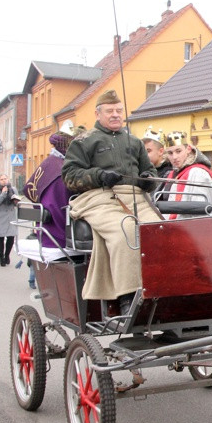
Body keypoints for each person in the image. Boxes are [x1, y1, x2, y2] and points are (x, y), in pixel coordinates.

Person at [61, 89, 160, 316]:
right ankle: (128, 295)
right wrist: (99, 176)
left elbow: (150, 171)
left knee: (159, 231)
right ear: (98, 114)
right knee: (125, 230)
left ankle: (160, 290)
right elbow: (69, 177)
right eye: (109, 111)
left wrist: (147, 181)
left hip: (135, 196)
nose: (115, 115)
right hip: (97, 198)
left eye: (118, 110)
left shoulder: (134, 141)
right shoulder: (83, 142)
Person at [23, 120, 77, 248]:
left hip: (44, 230)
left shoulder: (48, 162)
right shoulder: (64, 169)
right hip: (58, 234)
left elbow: (28, 189)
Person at [162, 131, 212, 220]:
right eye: (170, 153)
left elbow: (200, 212)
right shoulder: (173, 174)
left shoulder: (198, 173)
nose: (174, 157)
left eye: (178, 151)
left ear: (188, 149)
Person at [0, 174, 18, 266]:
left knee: (11, 237)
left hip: (11, 216)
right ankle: (1, 257)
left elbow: (16, 202)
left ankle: (7, 255)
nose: (4, 181)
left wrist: (16, 202)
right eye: (1, 179)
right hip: (0, 217)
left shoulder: (13, 189)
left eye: (5, 179)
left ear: (8, 179)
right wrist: (3, 194)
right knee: (0, 237)